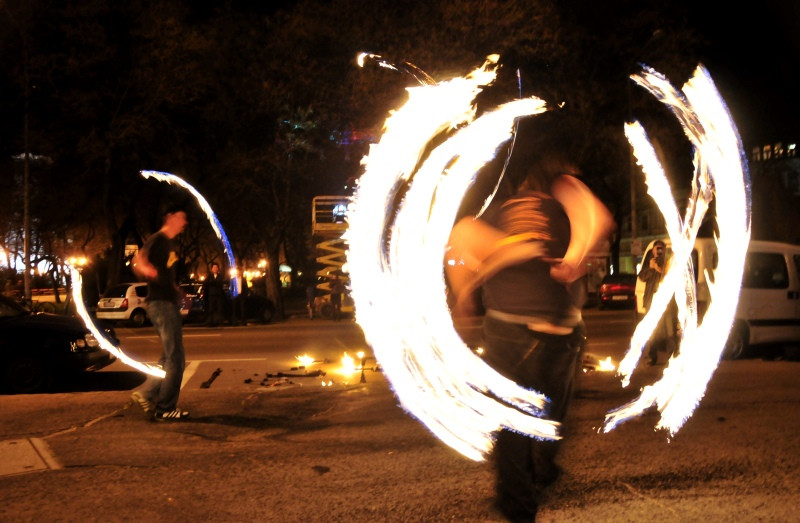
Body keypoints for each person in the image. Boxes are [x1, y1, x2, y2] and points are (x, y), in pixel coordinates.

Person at [447, 149, 614, 521]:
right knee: (550, 417)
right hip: (563, 331)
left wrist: (464, 292)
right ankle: (544, 463)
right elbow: (597, 218)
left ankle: (519, 505)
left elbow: (462, 236)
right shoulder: (563, 193)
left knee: (511, 423)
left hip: (511, 328)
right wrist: (574, 257)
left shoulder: (501, 211)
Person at [129, 204, 190, 422]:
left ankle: (146, 393)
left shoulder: (169, 244)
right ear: (170, 217)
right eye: (181, 217)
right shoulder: (158, 239)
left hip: (166, 302)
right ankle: (165, 408)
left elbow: (164, 275)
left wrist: (177, 291)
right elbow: (138, 260)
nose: (184, 223)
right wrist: (146, 269)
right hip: (161, 304)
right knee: (176, 358)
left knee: (167, 357)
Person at [638, 240, 678, 365]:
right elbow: (641, 277)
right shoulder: (650, 263)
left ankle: (672, 357)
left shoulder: (669, 262)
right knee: (652, 331)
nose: (659, 252)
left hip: (666, 302)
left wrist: (660, 269)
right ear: (653, 251)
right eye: (657, 249)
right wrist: (651, 268)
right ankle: (651, 356)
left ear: (665, 250)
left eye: (662, 249)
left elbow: (673, 277)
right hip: (652, 303)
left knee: (670, 330)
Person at [202, 262, 225, 327]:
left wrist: (213, 283)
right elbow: (207, 283)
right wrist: (213, 283)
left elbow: (220, 284)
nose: (215, 269)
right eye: (214, 267)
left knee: (219, 309)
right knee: (211, 309)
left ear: (218, 269)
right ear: (212, 269)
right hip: (211, 295)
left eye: (216, 267)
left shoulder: (220, 276)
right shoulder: (209, 276)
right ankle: (210, 322)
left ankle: (220, 322)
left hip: (218, 295)